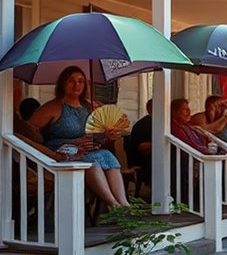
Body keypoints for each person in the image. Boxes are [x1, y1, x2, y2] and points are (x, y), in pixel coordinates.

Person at [28, 66, 130, 208]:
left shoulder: (89, 107)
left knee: (107, 156)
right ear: (63, 83)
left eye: (81, 81)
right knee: (92, 162)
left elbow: (98, 140)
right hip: (62, 153)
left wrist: (108, 136)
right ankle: (113, 205)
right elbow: (28, 129)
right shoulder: (54, 107)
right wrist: (59, 145)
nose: (77, 85)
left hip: (86, 151)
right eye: (72, 81)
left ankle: (124, 204)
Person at [129, 98, 153, 187]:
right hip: (143, 161)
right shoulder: (144, 124)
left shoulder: (162, 123)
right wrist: (158, 142)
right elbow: (141, 147)